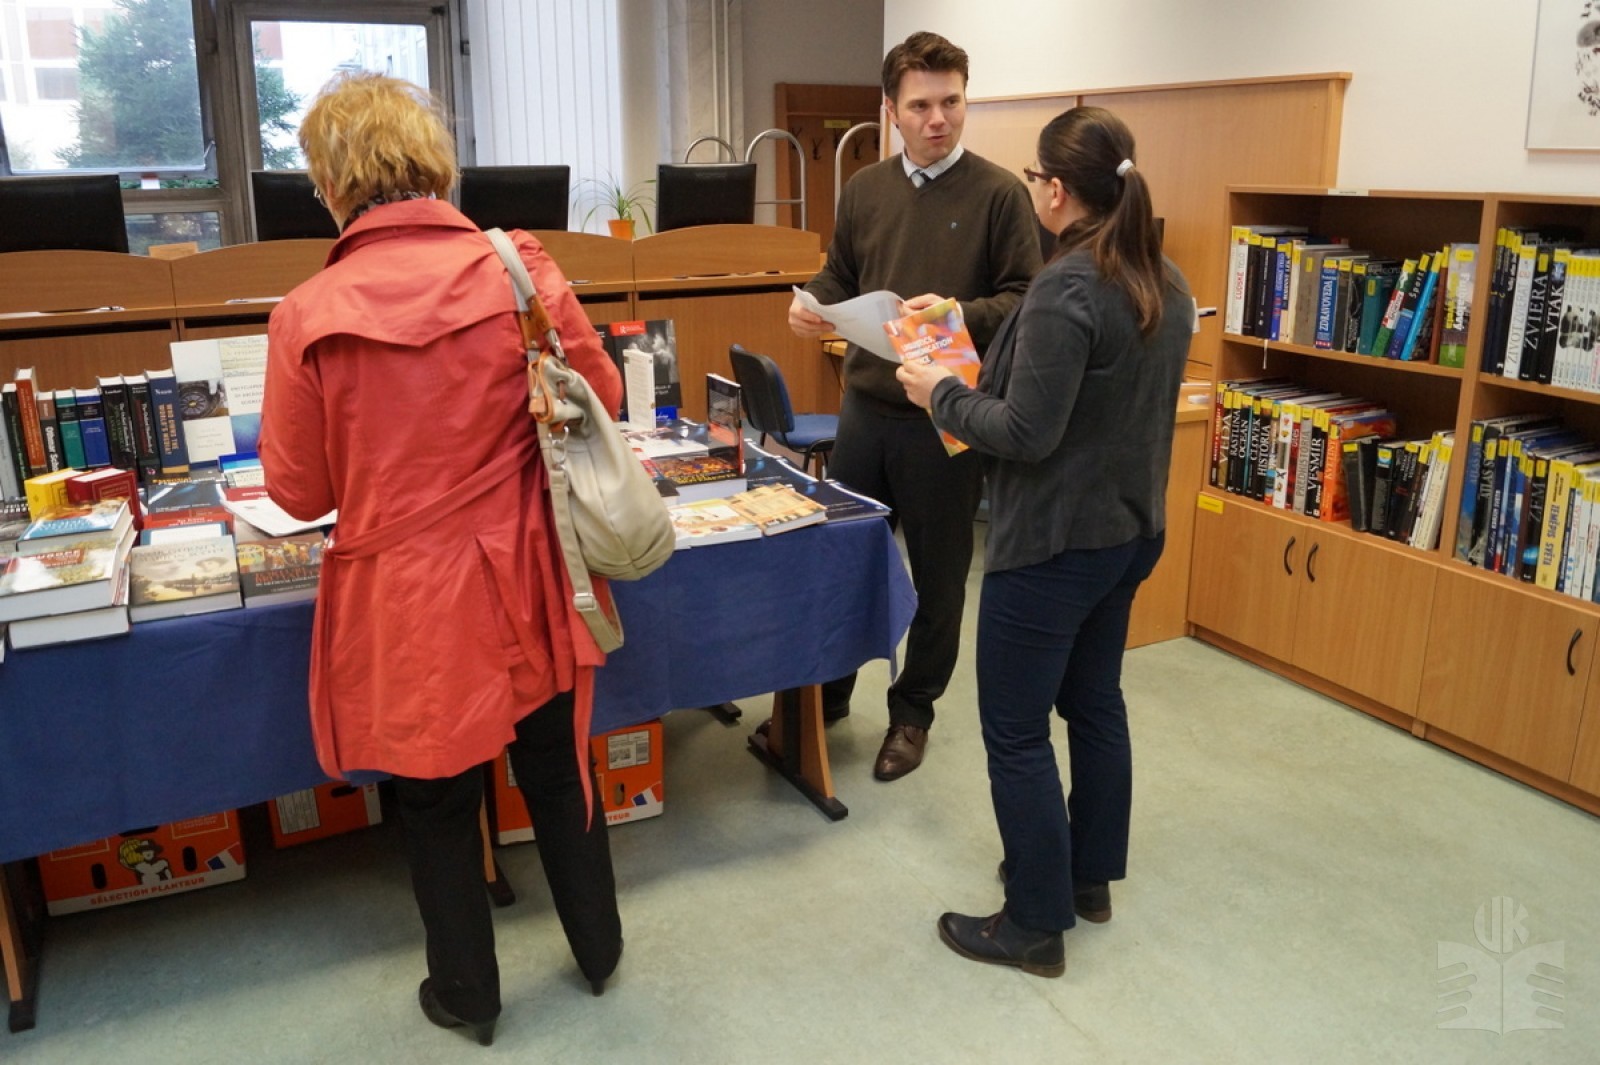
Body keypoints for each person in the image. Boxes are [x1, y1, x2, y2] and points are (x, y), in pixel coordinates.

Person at [260, 73, 624, 1046]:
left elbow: (298, 492)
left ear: (331, 184)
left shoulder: (307, 312)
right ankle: (599, 952)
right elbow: (604, 397)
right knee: (557, 766)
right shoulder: (519, 267)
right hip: (532, 569)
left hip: (411, 595)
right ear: (434, 163)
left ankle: (468, 994)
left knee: (434, 800)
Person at [897, 106, 1193, 976]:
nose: (1032, 188)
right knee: (1094, 703)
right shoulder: (1165, 280)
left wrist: (938, 391)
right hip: (1127, 534)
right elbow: (1086, 404)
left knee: (1016, 730)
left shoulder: (1068, 288)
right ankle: (1085, 879)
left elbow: (1026, 431)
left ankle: (1033, 923)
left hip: (1055, 545)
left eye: (1035, 177)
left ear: (1056, 191)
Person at [788, 31, 1041, 782]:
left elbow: (1027, 298)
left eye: (952, 102)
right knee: (846, 561)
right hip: (867, 409)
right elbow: (841, 273)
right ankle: (830, 695)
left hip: (948, 416)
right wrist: (812, 303)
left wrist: (956, 313)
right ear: (891, 111)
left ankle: (913, 713)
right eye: (922, 105)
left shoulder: (1000, 194)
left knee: (939, 577)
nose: (939, 119)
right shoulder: (866, 188)